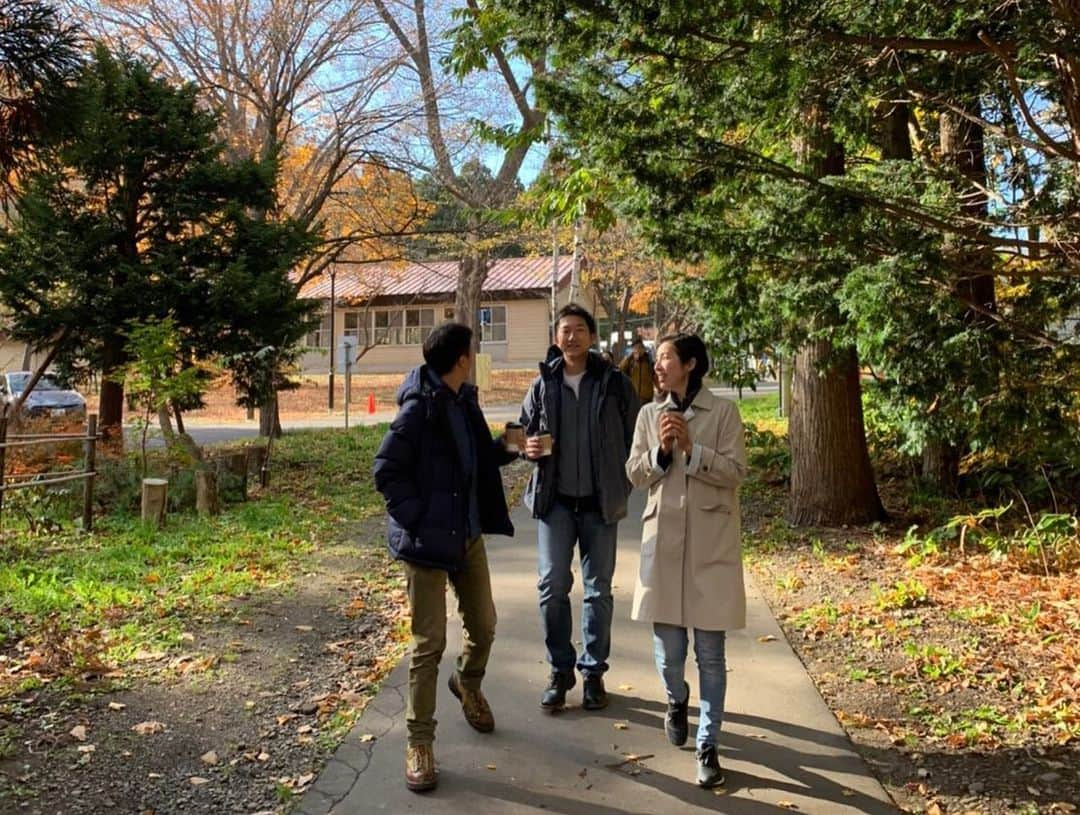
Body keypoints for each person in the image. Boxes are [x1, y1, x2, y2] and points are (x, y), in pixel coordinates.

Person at [373, 322, 517, 793]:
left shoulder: (462, 398)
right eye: (471, 351)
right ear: (461, 359)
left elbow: (477, 457)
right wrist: (418, 520)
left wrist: (508, 447)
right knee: (428, 644)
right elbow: (386, 470)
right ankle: (419, 743)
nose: (473, 356)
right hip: (427, 545)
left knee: (485, 624)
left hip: (467, 537)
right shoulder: (418, 409)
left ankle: (468, 682)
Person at [624, 333, 748, 788]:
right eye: (657, 360)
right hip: (665, 547)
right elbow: (634, 474)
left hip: (712, 547)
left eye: (665, 359)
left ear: (690, 364)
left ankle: (707, 744)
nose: (657, 367)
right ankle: (676, 700)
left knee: (711, 655)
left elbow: (736, 472)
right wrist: (660, 454)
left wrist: (694, 449)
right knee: (669, 654)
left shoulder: (724, 413)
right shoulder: (648, 415)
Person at [520, 303, 640, 712]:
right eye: (564, 330)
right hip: (555, 503)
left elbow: (634, 436)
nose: (571, 337)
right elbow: (521, 434)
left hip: (598, 504)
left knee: (598, 591)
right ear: (556, 338)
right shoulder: (542, 383)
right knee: (552, 586)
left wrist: (621, 481)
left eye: (578, 330)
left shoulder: (613, 383)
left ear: (592, 336)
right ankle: (560, 669)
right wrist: (528, 449)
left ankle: (593, 674)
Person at [620, 336, 656, 404]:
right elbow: (620, 370)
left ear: (643, 349)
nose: (638, 350)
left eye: (640, 347)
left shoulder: (649, 361)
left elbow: (655, 377)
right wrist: (629, 357)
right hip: (633, 398)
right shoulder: (630, 362)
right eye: (635, 348)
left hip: (647, 399)